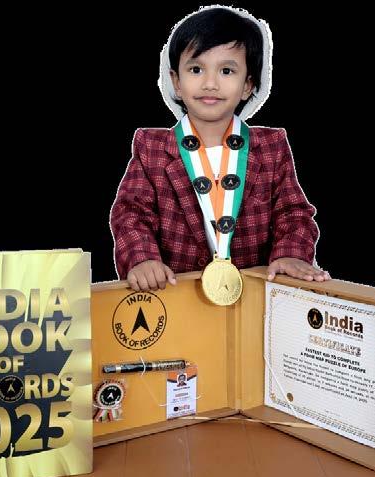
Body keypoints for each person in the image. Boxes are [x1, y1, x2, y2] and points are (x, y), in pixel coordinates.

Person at [110, 6, 330, 292]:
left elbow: (293, 213)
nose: (210, 84)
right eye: (196, 69)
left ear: (248, 84)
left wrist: (291, 254)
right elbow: (131, 213)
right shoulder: (152, 147)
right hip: (175, 295)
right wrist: (142, 259)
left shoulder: (271, 147)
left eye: (226, 71)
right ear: (176, 81)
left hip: (252, 297)